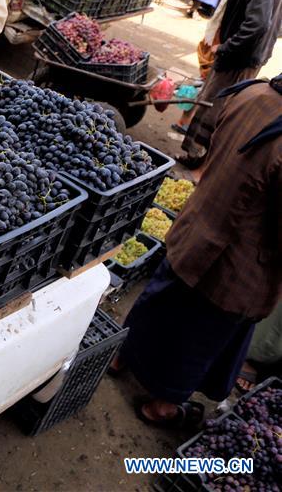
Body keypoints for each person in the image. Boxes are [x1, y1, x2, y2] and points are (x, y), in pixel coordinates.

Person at [113, 75, 282, 429]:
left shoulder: (251, 92)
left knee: (158, 303)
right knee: (199, 338)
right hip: (234, 266)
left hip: (195, 229)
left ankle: (119, 358)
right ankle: (161, 407)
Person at [178, 0, 282, 168]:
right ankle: (200, 158)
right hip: (246, 53)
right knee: (217, 106)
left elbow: (258, 23)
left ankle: (199, 159)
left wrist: (226, 46)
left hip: (239, 56)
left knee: (215, 107)